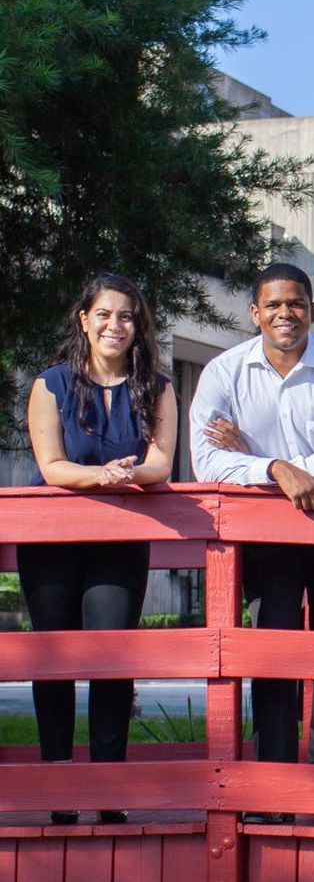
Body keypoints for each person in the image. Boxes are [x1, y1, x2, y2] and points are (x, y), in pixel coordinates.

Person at [189, 262, 314, 819]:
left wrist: (251, 456)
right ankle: (272, 788)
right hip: (265, 532)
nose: (285, 314)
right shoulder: (224, 373)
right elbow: (205, 460)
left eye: (296, 303)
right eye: (273, 305)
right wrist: (271, 466)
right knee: (273, 654)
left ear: (313, 310)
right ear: (255, 313)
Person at [18, 273, 178, 825]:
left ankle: (108, 788)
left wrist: (130, 475)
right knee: (55, 662)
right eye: (105, 315)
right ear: (83, 320)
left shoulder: (155, 388)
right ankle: (58, 790)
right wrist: (99, 475)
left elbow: (162, 461)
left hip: (120, 540)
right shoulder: (51, 384)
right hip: (53, 541)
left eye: (127, 316)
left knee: (112, 662)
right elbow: (51, 466)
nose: (116, 325)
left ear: (139, 326)